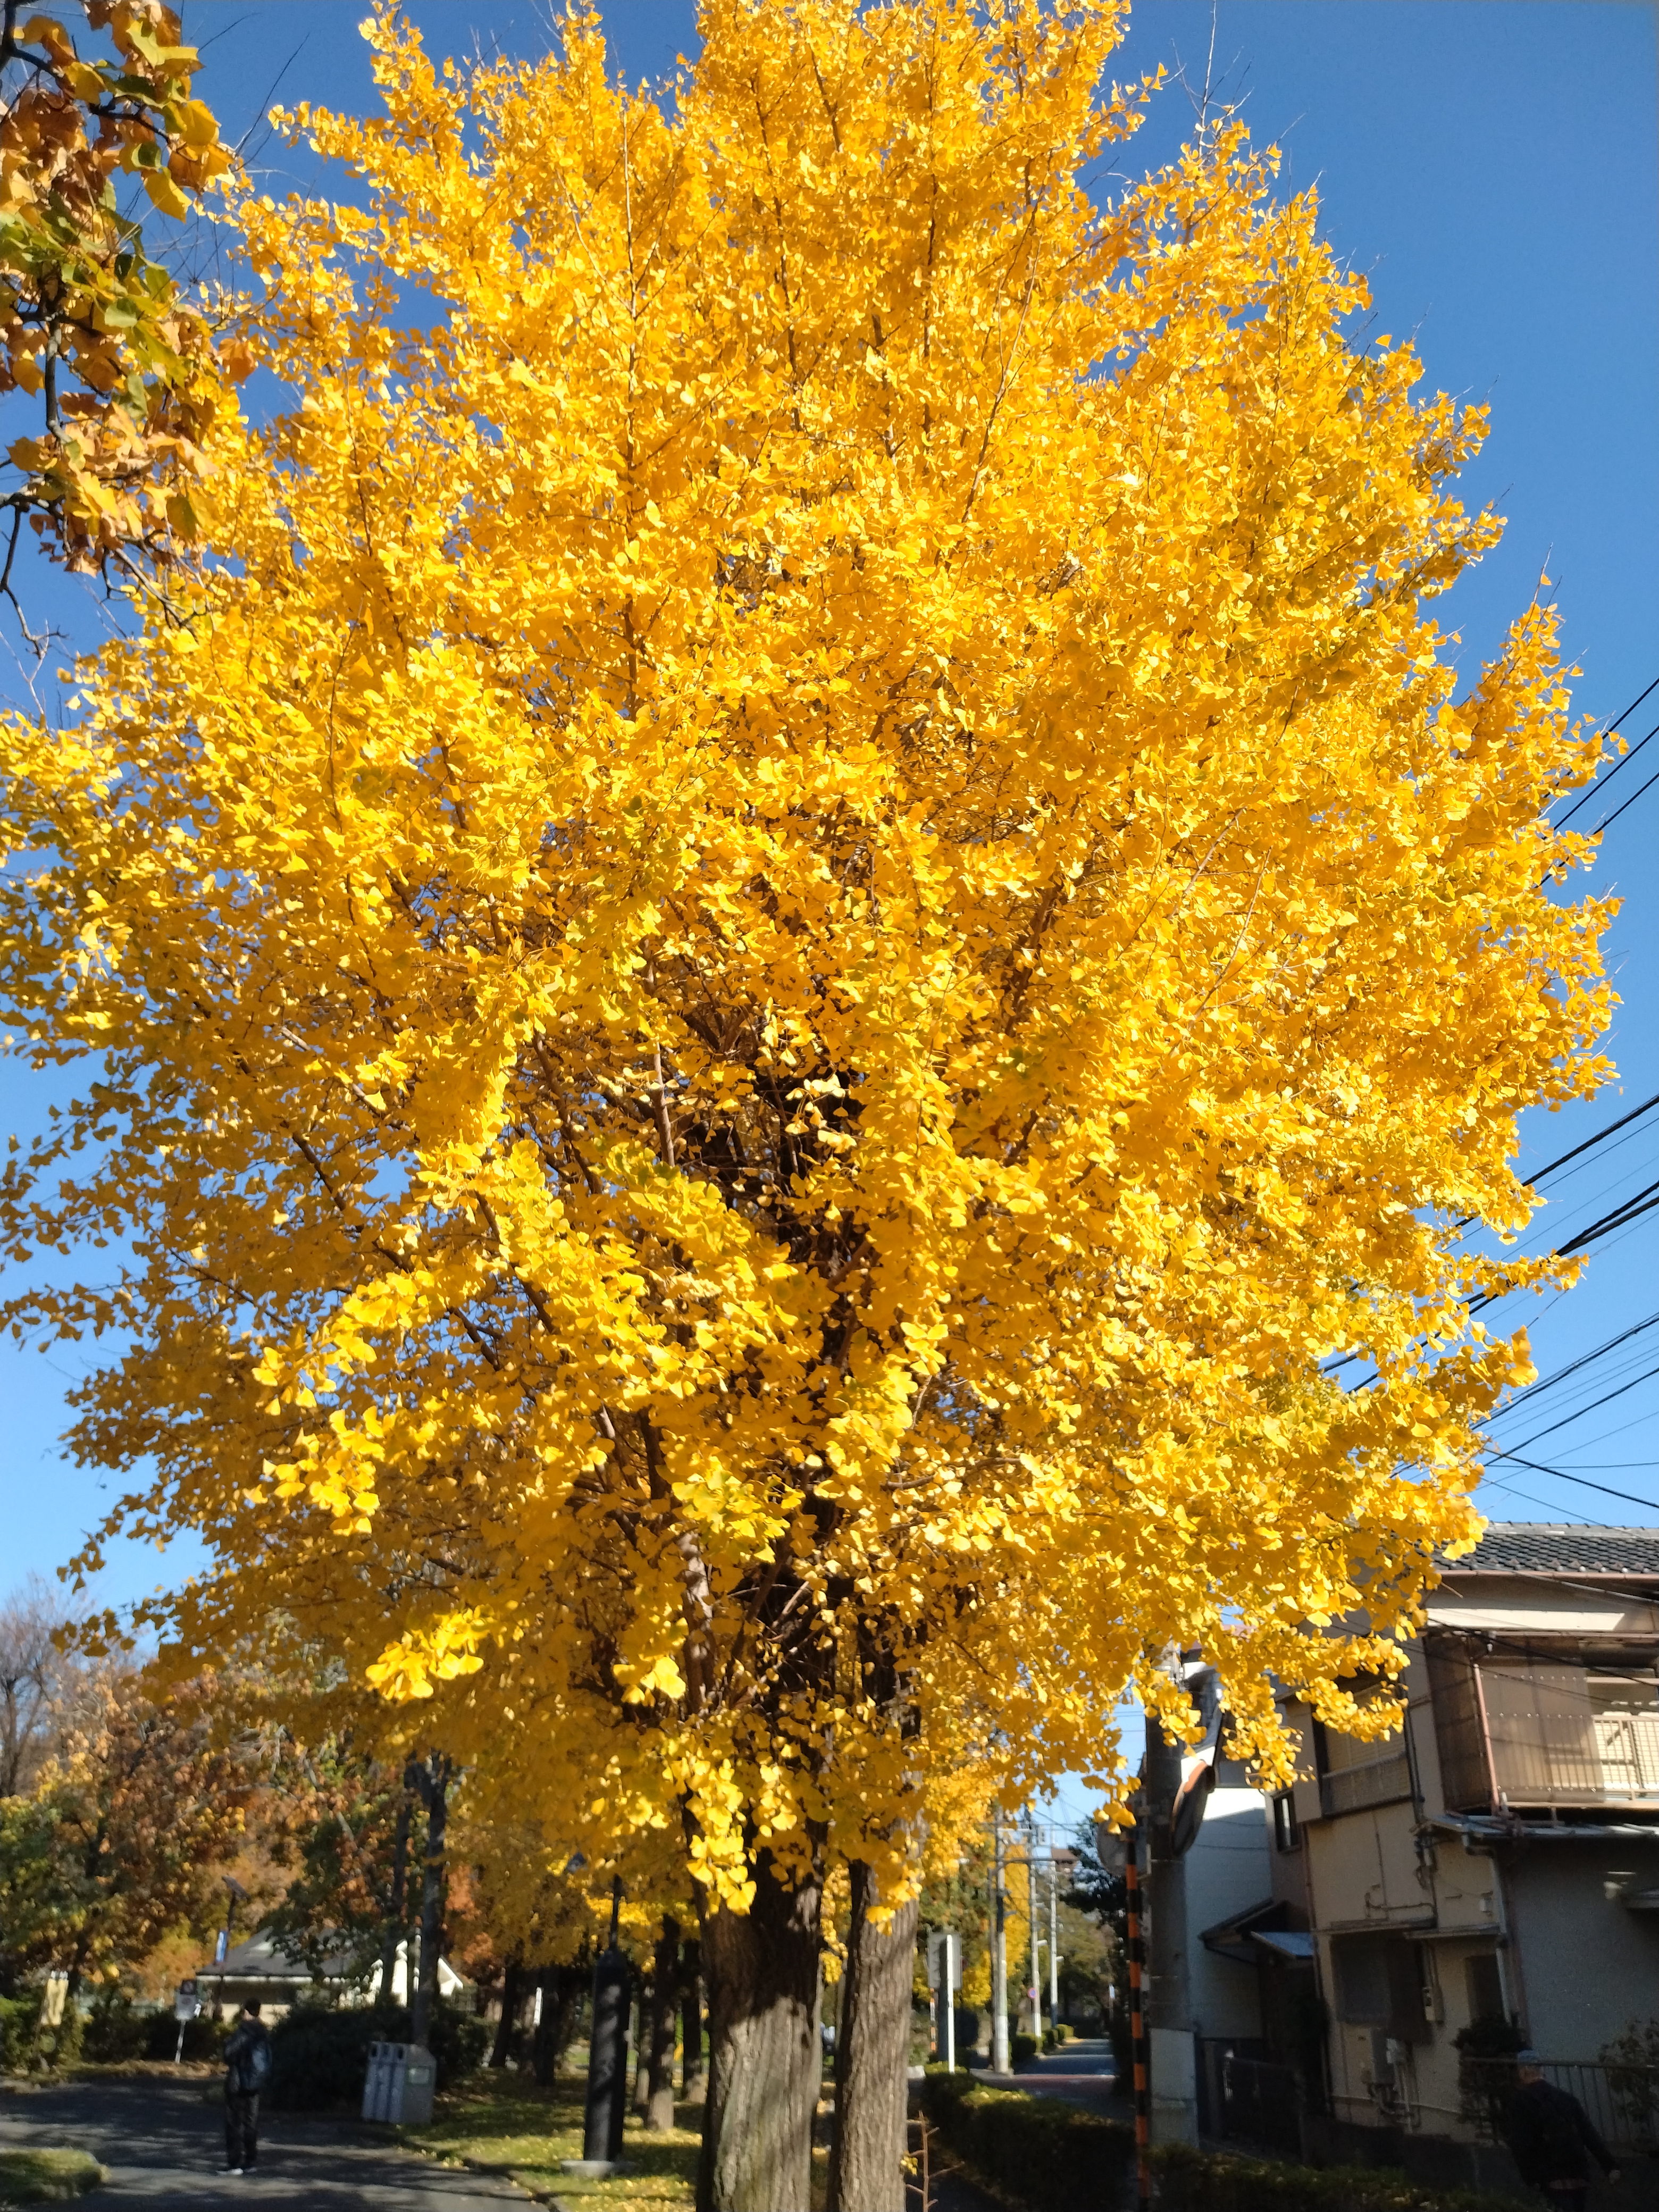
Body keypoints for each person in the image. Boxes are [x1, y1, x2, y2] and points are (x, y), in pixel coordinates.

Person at [1502, 2050, 1620, 2212]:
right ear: (1542, 2070)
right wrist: (1610, 2166)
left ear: (1522, 2072)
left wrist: (1531, 2178)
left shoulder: (1520, 2102)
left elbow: (1522, 2143)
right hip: (1578, 2172)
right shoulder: (1567, 2099)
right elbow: (1589, 2134)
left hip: (1550, 2174)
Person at [222, 1999, 272, 2176]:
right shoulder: (264, 2032)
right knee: (251, 2122)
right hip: (255, 2083)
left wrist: (227, 2043)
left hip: (238, 2083)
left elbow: (229, 2054)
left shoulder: (244, 2031)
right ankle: (251, 2160)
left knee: (234, 2122)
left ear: (246, 2012)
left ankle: (234, 2163)